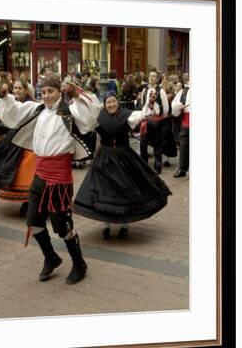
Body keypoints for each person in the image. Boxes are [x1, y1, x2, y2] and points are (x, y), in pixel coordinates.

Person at [0, 75, 101, 284]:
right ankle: (51, 257)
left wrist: (75, 92)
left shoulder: (69, 111)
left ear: (59, 92)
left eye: (50, 92)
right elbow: (13, 113)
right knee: (33, 222)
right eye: (43, 92)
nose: (46, 96)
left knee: (62, 227)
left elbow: (92, 113)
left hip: (59, 180)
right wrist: (4, 97)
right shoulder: (37, 109)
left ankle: (79, 263)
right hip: (40, 175)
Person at [73, 93, 172, 239]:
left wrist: (150, 104)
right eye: (108, 102)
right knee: (104, 190)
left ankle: (125, 226)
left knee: (126, 190)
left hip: (124, 156)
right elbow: (83, 118)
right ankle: (106, 225)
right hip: (105, 158)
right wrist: (78, 100)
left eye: (113, 101)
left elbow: (144, 114)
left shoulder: (126, 115)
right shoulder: (98, 118)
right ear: (104, 105)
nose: (111, 104)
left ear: (117, 103)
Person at [0, 79, 36, 217]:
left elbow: (14, 111)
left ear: (26, 90)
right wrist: (1, 98)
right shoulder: (15, 103)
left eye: (20, 88)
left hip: (28, 145)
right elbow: (5, 112)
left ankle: (29, 203)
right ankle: (28, 202)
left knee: (27, 174)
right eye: (14, 88)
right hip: (14, 141)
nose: (16, 90)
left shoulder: (31, 104)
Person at [137, 71, 171, 174]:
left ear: (157, 79)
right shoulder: (144, 90)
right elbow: (143, 104)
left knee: (157, 145)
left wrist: (159, 116)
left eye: (154, 76)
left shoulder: (161, 91)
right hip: (146, 121)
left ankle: (157, 167)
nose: (152, 78)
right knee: (143, 144)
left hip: (157, 121)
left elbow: (166, 108)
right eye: (150, 76)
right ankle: (144, 166)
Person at [171, 86, 190, 177]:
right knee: (183, 147)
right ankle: (182, 169)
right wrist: (178, 107)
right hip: (186, 123)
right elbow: (174, 110)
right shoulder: (183, 92)